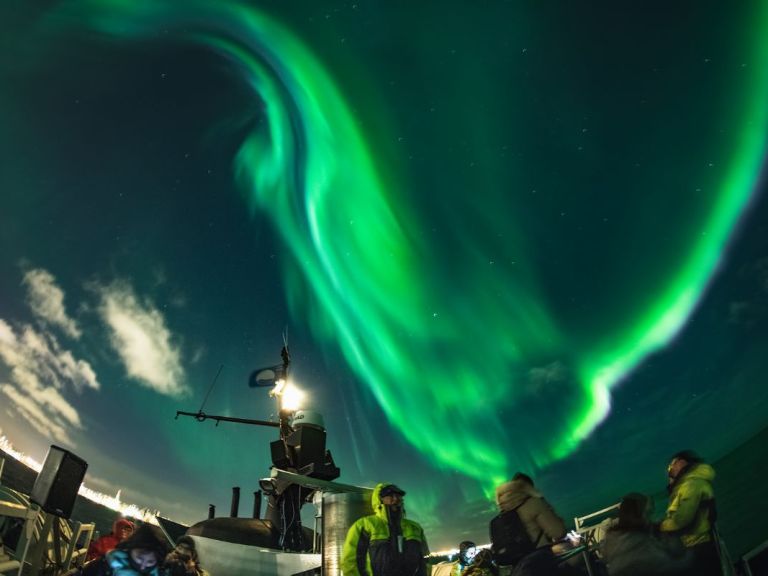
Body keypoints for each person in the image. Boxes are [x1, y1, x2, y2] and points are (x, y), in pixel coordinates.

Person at [341, 482, 429, 576]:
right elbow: (351, 562)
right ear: (380, 499)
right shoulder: (365, 525)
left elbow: (424, 560)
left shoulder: (415, 527)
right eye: (390, 495)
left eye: (398, 495)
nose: (395, 499)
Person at [658, 450, 721, 576]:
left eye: (671, 466)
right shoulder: (686, 485)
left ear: (681, 462)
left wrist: (659, 526)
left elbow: (682, 520)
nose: (669, 471)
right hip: (698, 546)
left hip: (700, 547)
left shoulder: (691, 485)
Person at [601, 492, 688, 576]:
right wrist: (690, 554)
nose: (650, 519)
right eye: (648, 513)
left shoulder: (613, 538)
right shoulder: (638, 542)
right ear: (637, 515)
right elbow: (669, 566)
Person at [491, 472, 567, 568]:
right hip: (541, 561)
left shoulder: (504, 510)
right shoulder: (534, 503)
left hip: (518, 566)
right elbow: (558, 532)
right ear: (528, 487)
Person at [76, 523, 169, 576]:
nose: (143, 566)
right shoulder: (103, 566)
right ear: (131, 549)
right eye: (140, 557)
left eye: (150, 562)